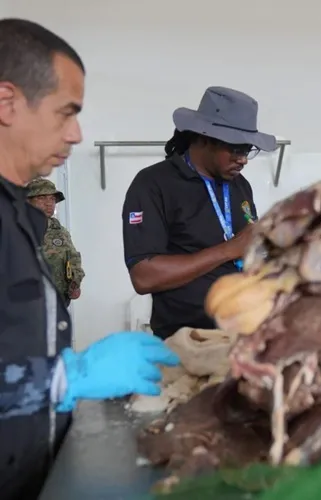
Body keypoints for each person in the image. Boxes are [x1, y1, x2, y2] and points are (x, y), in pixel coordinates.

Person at [0, 19, 179, 499]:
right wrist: (64, 377)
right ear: (7, 102)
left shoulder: (19, 212)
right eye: (66, 113)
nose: (77, 134)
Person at [122, 87, 277, 339]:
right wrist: (228, 249)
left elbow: (247, 251)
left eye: (247, 150)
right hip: (185, 341)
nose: (243, 159)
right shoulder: (154, 184)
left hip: (242, 335)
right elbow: (143, 277)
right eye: (236, 148)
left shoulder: (239, 185)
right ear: (204, 138)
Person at [26, 177, 85, 307]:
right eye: (42, 198)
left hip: (58, 302)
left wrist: (75, 283)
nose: (49, 203)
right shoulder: (15, 228)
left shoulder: (59, 231)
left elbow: (73, 258)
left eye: (52, 199)